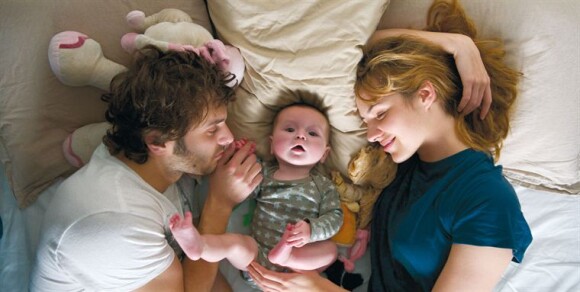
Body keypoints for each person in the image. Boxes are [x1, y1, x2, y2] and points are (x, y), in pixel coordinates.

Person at [246, 0, 532, 291]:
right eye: (367, 120)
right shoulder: (406, 168)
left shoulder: (488, 199)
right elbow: (358, 45)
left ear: (425, 94)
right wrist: (458, 46)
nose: (370, 134)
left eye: (380, 113)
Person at [30, 46, 263, 291]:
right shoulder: (116, 222)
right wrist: (220, 202)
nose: (228, 137)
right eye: (211, 130)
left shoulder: (155, 166)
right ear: (157, 142)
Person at [171, 100, 343, 278]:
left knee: (330, 251)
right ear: (271, 144)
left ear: (324, 154)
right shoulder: (264, 174)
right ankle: (200, 246)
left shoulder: (324, 185)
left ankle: (287, 257)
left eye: (312, 133)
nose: (300, 135)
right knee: (235, 245)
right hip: (257, 258)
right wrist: (239, 153)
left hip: (299, 265)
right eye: (290, 130)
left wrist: (311, 230)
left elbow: (335, 218)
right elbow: (242, 189)